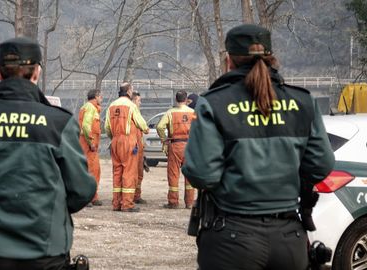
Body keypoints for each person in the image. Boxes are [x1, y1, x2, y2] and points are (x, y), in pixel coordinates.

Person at [181, 24, 335, 270]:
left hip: (231, 240)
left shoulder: (214, 102)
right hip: (290, 239)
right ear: (272, 57)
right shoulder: (303, 101)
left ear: (229, 60)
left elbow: (202, 174)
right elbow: (322, 165)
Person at [0, 37, 97, 270]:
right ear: (36, 72)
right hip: (46, 251)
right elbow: (81, 190)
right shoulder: (58, 122)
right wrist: (46, 209)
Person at [104, 82, 149, 212]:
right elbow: (142, 124)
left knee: (117, 172)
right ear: (129, 91)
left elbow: (107, 127)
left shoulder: (111, 106)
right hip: (128, 141)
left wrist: (114, 138)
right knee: (129, 172)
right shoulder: (131, 106)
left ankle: (116, 204)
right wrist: (145, 129)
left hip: (115, 141)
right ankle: (127, 204)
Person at [156, 90, 196, 209]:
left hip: (175, 145)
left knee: (173, 174)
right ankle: (189, 202)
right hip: (189, 146)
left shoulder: (170, 112)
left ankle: (173, 202)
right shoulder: (193, 112)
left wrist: (164, 139)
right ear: (185, 100)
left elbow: (159, 127)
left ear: (176, 99)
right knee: (189, 174)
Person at [79, 89, 103, 206]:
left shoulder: (87, 107)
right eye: (100, 96)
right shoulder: (91, 108)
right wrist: (91, 142)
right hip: (89, 147)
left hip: (88, 146)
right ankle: (87, 198)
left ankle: (93, 197)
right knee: (91, 171)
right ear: (96, 96)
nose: (101, 98)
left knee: (94, 171)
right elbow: (86, 127)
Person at [131, 91, 147, 204]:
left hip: (139, 147)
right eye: (138, 100)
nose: (140, 103)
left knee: (139, 173)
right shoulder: (132, 112)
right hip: (133, 147)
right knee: (133, 173)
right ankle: (131, 196)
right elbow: (144, 128)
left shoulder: (137, 112)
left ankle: (137, 195)